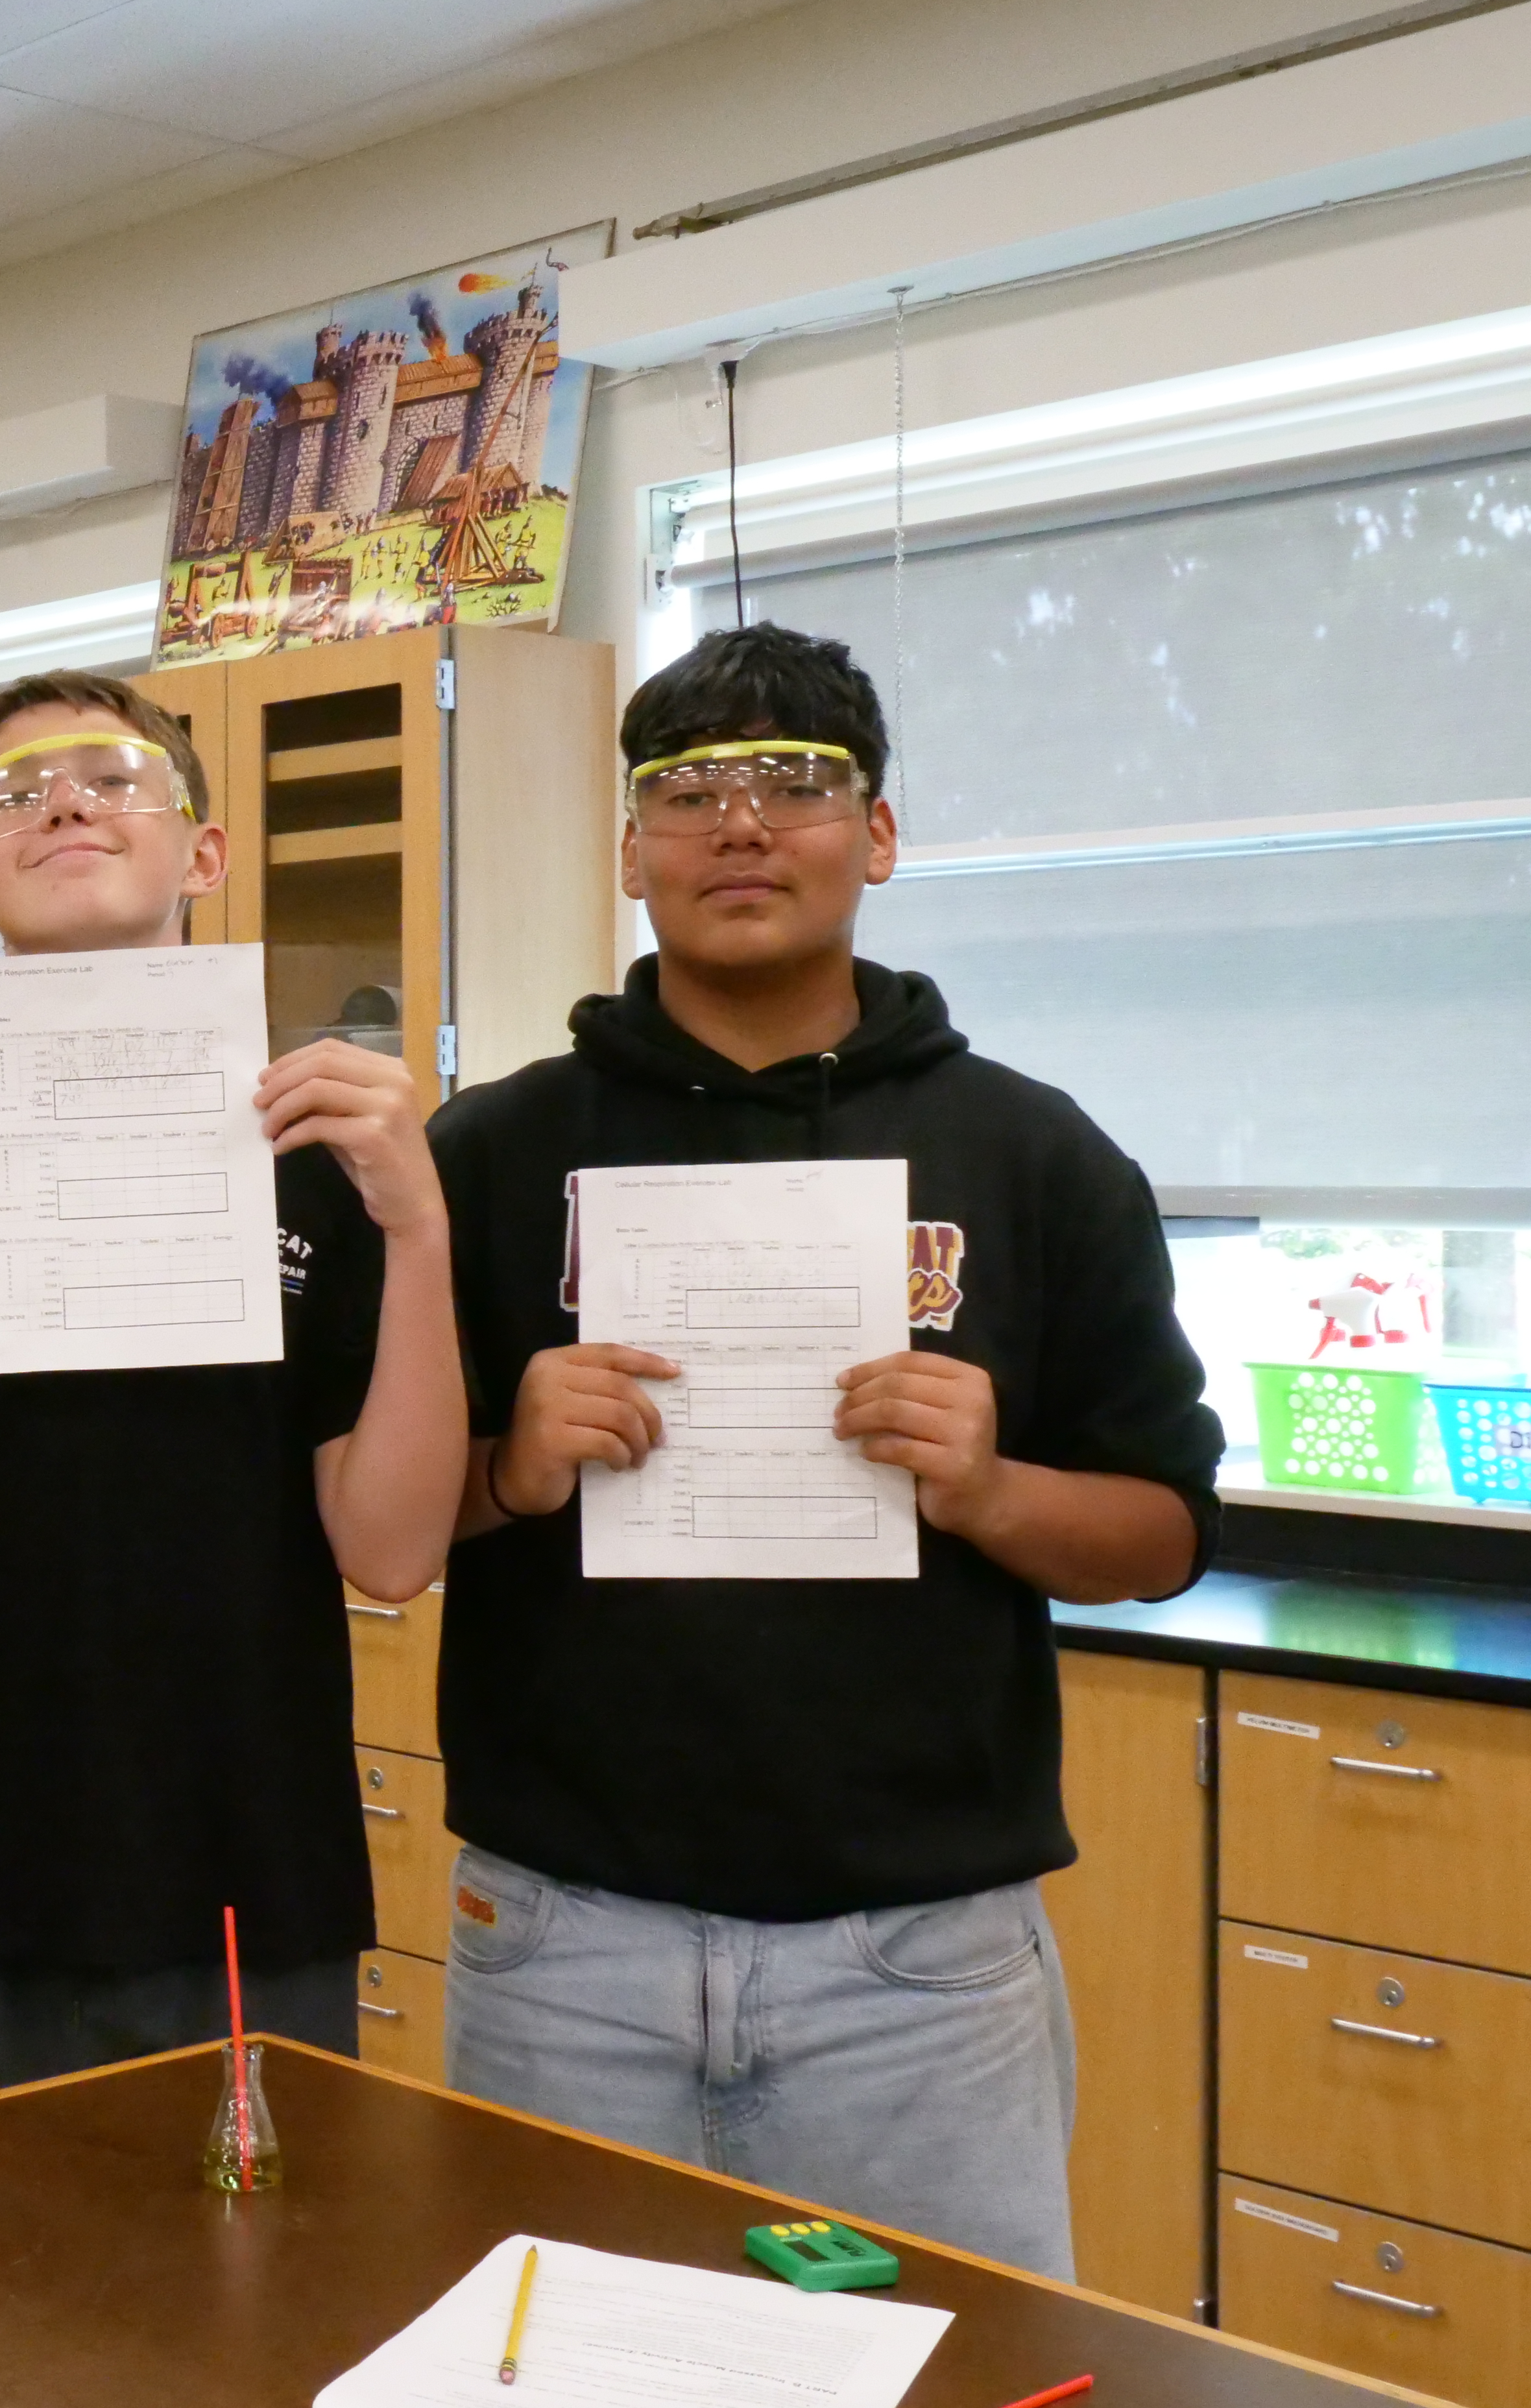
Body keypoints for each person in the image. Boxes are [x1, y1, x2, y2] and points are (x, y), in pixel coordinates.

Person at [423, 623, 1223, 2280]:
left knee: (947, 2368)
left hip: (919, 1964)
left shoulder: (1035, 1154)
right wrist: (508, 1465)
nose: (738, 824)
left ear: (874, 835)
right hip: (561, 1939)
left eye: (794, 783)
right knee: (566, 2380)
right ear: (629, 845)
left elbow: (1158, 1532)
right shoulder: (488, 1153)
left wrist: (990, 1490)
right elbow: (359, 1522)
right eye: (687, 788)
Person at [0, 669, 470, 2115]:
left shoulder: (326, 1160)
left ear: (204, 855)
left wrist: (421, 1228)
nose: (67, 801)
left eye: (114, 777)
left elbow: (391, 1551)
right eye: (14, 794)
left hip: (248, 1873)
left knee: (254, 2314)